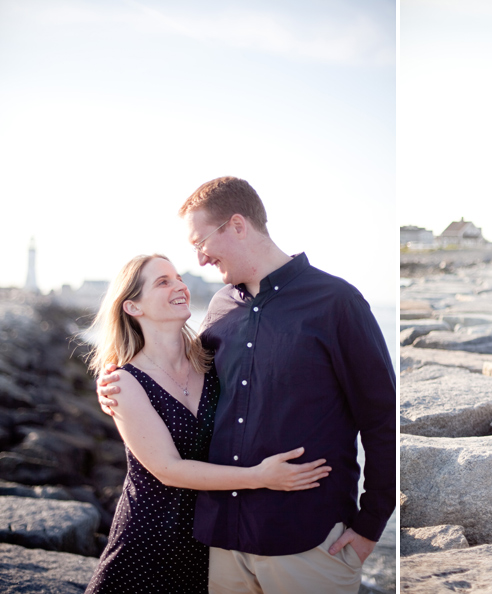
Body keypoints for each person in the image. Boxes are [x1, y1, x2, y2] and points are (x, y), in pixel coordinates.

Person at [98, 176, 396, 593]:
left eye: (200, 243)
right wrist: (114, 376)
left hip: (307, 541)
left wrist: (370, 526)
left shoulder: (337, 302)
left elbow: (382, 419)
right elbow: (172, 374)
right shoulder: (219, 309)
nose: (199, 260)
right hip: (221, 543)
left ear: (237, 225)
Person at [85, 254, 331, 593]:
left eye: (177, 278)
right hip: (148, 541)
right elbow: (168, 469)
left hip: (212, 540)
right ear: (132, 307)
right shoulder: (124, 382)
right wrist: (259, 477)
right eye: (163, 282)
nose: (180, 286)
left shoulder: (213, 358)